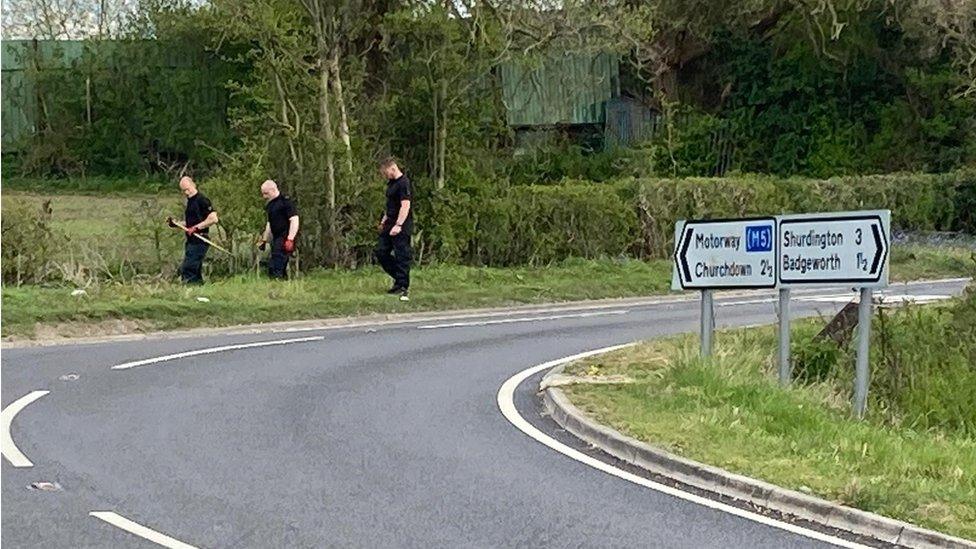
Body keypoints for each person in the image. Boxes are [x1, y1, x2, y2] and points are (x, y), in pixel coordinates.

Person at [375, 157, 413, 301]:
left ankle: (402, 285)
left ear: (392, 168)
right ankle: (398, 277)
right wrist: (384, 220)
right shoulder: (391, 184)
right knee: (381, 251)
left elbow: (405, 206)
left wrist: (399, 225)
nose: (384, 175)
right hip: (389, 222)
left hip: (400, 225)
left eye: (385, 172)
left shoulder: (404, 183)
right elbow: (390, 205)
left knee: (401, 254)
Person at [170, 176, 218, 284]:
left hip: (200, 239)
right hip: (191, 240)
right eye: (184, 191)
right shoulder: (190, 202)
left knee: (188, 268)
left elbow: (213, 219)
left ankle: (189, 289)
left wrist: (196, 228)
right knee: (195, 270)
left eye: (188, 189)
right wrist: (176, 224)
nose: (186, 192)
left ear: (193, 185)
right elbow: (190, 223)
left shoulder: (202, 200)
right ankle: (198, 289)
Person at [257, 179, 299, 279]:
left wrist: (290, 238)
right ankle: (281, 284)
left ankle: (276, 281)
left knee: (276, 263)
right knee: (276, 261)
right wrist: (264, 240)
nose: (264, 196)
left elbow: (294, 220)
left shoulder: (286, 202)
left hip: (285, 237)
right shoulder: (270, 205)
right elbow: (270, 224)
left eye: (266, 193)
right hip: (276, 238)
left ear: (273, 190)